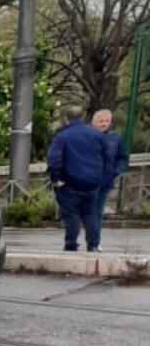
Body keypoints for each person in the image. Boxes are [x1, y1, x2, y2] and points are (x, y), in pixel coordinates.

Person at [47, 107, 110, 252]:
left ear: (65, 119)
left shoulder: (62, 136)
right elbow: (106, 158)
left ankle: (71, 244)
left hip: (69, 182)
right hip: (92, 183)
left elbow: (54, 159)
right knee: (92, 214)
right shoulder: (97, 135)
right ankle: (93, 244)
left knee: (71, 215)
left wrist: (56, 179)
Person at [90, 109, 126, 232]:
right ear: (94, 122)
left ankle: (94, 241)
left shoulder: (115, 138)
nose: (104, 124)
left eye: (107, 121)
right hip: (86, 178)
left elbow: (121, 157)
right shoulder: (86, 136)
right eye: (101, 121)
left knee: (97, 211)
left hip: (104, 180)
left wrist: (116, 171)